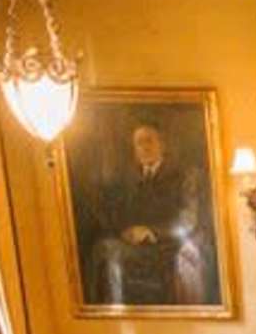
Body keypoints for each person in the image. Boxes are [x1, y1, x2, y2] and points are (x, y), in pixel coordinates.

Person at [80, 116, 217, 307]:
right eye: (139, 143)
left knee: (187, 259)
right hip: (138, 247)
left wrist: (152, 232)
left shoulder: (185, 175)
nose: (144, 147)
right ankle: (112, 314)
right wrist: (126, 231)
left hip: (170, 243)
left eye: (149, 141)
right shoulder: (129, 180)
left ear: (163, 145)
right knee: (104, 250)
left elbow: (188, 219)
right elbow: (121, 215)